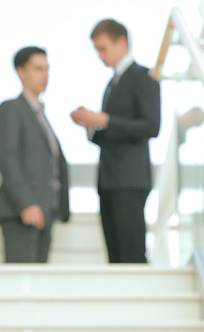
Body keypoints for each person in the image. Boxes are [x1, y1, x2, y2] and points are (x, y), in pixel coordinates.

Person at [70, 19, 161, 263]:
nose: (100, 55)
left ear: (121, 42)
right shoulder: (112, 83)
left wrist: (104, 119)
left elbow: (151, 126)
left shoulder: (144, 76)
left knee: (131, 253)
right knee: (115, 256)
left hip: (130, 180)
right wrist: (92, 126)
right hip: (109, 180)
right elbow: (115, 133)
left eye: (103, 48)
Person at [0, 46, 70, 263]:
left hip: (46, 210)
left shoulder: (41, 116)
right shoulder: (11, 109)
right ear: (20, 71)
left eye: (47, 69)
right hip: (22, 212)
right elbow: (8, 158)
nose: (45, 75)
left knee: (38, 283)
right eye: (38, 69)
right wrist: (25, 203)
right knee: (22, 282)